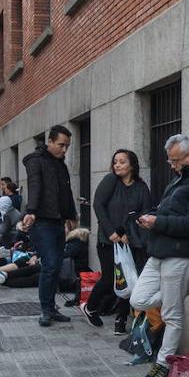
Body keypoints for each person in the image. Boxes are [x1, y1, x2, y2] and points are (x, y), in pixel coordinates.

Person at [130, 134, 189, 377]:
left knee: (172, 315)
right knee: (137, 298)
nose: (172, 165)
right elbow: (167, 209)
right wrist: (150, 216)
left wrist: (158, 221)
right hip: (160, 251)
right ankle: (179, 292)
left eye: (175, 160)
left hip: (179, 255)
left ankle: (162, 364)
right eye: (170, 160)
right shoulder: (181, 178)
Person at [80, 149, 153, 334]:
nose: (117, 165)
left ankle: (121, 320)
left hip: (131, 241)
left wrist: (131, 232)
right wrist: (111, 232)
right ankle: (90, 306)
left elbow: (145, 213)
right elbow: (98, 205)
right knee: (111, 278)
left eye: (122, 161)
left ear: (132, 165)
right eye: (115, 162)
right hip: (108, 241)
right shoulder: (111, 181)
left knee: (129, 281)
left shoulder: (141, 187)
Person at [20, 125, 78, 326]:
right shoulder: (36, 161)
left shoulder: (60, 164)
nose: (64, 150)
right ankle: (45, 309)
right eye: (61, 145)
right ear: (50, 141)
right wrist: (32, 211)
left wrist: (71, 215)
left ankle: (51, 308)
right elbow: (35, 185)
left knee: (55, 266)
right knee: (51, 264)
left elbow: (66, 191)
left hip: (57, 221)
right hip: (41, 222)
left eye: (67, 146)